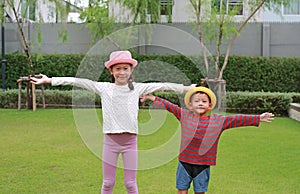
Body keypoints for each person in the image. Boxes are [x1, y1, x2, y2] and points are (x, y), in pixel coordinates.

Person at [30, 50, 195, 194]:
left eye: (125, 68)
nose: (121, 72)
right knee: (108, 183)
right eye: (118, 69)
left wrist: (187, 88)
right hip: (110, 142)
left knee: (130, 183)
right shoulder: (103, 88)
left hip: (130, 142)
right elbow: (76, 81)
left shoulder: (137, 88)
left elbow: (163, 86)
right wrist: (49, 80)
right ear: (111, 71)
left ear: (131, 70)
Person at [140, 86, 274, 194]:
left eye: (204, 101)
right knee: (181, 190)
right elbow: (169, 106)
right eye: (197, 101)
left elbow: (237, 119)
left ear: (210, 105)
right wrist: (151, 97)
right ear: (190, 105)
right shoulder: (184, 115)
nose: (200, 103)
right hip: (184, 162)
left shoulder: (218, 121)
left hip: (203, 165)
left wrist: (258, 118)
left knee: (200, 191)